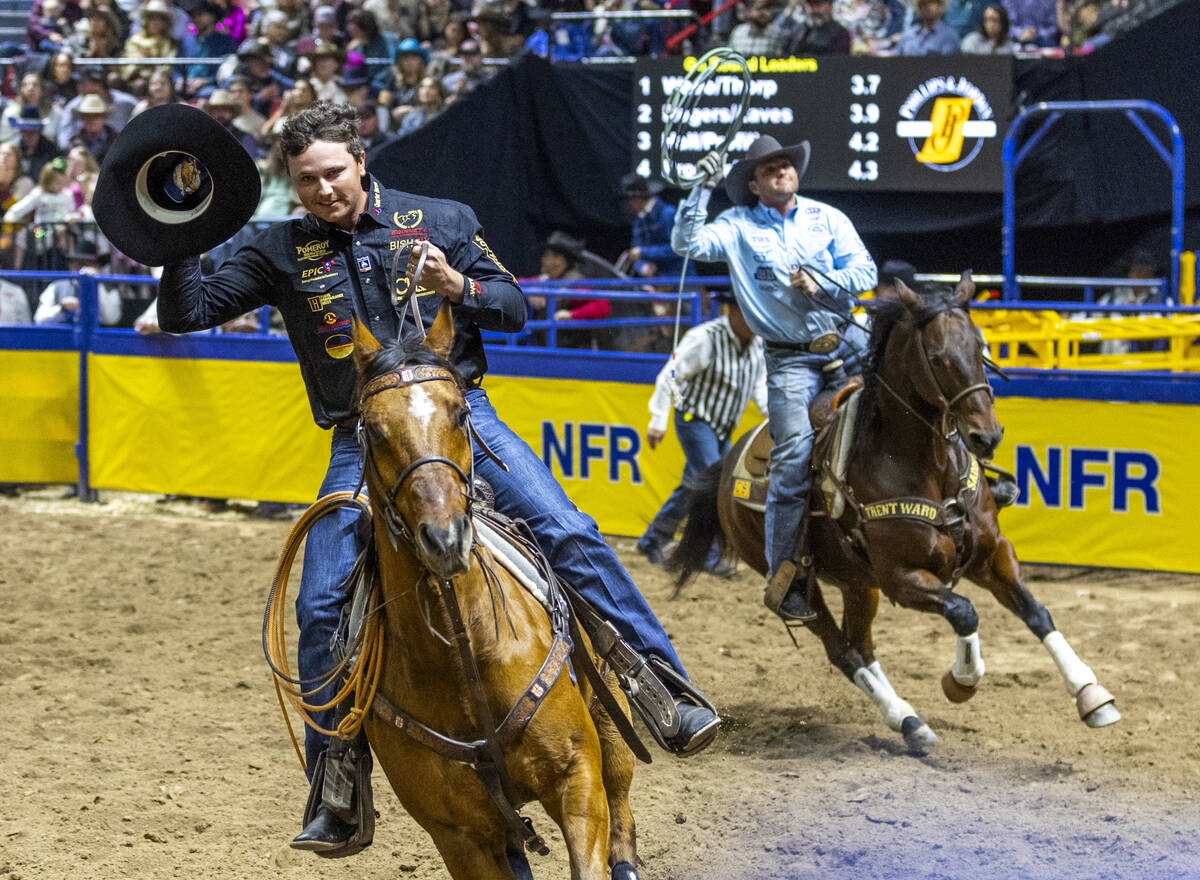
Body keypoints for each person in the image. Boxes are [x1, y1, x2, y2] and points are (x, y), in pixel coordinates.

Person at [153, 101, 720, 856]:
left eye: (331, 173)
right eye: (305, 181)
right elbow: (186, 309)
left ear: (361, 159)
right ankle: (337, 782)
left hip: (464, 420)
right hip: (363, 440)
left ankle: (662, 687)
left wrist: (460, 286)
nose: (321, 191)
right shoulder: (277, 248)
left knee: (569, 531)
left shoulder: (440, 219)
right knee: (321, 604)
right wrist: (182, 231)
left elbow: (514, 306)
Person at [672, 135, 876, 623]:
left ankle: (974, 490)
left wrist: (824, 282)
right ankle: (785, 576)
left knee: (922, 393)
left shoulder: (827, 218)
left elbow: (864, 269)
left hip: (850, 339)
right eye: (770, 169)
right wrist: (700, 187)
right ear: (755, 185)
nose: (782, 172)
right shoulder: (737, 226)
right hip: (790, 361)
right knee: (791, 457)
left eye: (786, 165)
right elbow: (688, 243)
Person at [638, 292, 766, 577]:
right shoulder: (705, 337)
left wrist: (776, 414)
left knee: (696, 483)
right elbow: (669, 375)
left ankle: (654, 538)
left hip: (722, 425)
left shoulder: (757, 344)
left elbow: (759, 385)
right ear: (732, 310)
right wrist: (658, 419)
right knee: (714, 483)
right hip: (695, 419)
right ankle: (705, 555)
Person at [34, 238, 122, 325]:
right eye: (76, 264)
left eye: (86, 264)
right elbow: (39, 320)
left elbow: (111, 318)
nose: (82, 270)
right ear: (70, 266)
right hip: (63, 337)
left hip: (97, 338)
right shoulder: (56, 286)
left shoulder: (108, 288)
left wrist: (96, 285)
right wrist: (61, 309)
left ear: (97, 267)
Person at [777, 0, 852, 54]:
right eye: (810, 5)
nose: (814, 10)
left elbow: (840, 63)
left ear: (830, 6)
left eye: (818, 5)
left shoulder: (840, 33)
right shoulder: (797, 30)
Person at [896, 0, 962, 53]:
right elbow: (898, 60)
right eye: (923, 3)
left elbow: (949, 64)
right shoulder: (908, 35)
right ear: (919, 7)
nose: (928, 7)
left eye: (932, 2)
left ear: (940, 6)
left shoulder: (949, 36)